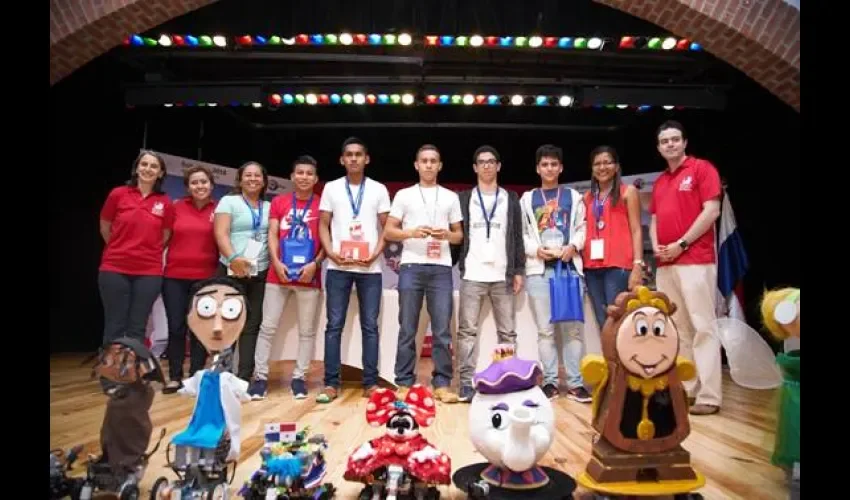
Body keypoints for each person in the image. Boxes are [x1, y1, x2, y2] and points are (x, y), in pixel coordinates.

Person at [649, 120, 723, 415]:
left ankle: (710, 395)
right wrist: (656, 245)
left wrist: (682, 242)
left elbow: (712, 210)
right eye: (664, 141)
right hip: (665, 263)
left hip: (695, 259)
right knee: (677, 329)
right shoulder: (660, 181)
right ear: (659, 147)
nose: (670, 144)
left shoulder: (702, 169)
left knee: (703, 326)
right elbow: (654, 219)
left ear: (685, 142)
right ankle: (688, 389)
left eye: (675, 139)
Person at [384, 144, 463, 403]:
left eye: (433, 161)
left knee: (441, 330)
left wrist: (447, 236)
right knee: (408, 327)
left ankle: (442, 383)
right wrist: (412, 232)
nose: (429, 165)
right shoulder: (404, 195)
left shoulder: (450, 197)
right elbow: (389, 231)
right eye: (424, 161)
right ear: (416, 165)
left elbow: (459, 235)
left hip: (440, 268)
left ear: (440, 165)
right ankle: (404, 382)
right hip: (411, 265)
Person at [316, 137, 391, 403]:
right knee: (333, 326)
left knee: (370, 327)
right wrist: (331, 252)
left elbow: (388, 228)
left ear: (366, 159)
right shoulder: (332, 188)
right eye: (349, 154)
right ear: (342, 159)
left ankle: (370, 382)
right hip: (338, 266)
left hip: (370, 269)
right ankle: (330, 383)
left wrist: (375, 254)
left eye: (359, 154)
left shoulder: (379, 189)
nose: (354, 159)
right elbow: (323, 224)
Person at [519, 144, 591, 403]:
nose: (549, 168)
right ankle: (549, 381)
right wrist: (536, 250)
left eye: (553, 164)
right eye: (544, 164)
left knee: (572, 330)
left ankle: (575, 383)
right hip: (539, 272)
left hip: (569, 270)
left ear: (560, 167)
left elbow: (583, 228)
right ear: (538, 168)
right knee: (545, 331)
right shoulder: (527, 199)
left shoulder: (573, 197)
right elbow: (523, 234)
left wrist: (573, 246)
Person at [453, 145, 525, 402]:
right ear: (475, 168)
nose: (486, 166)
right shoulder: (463, 198)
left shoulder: (511, 198)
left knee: (507, 332)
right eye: (481, 162)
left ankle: (507, 377)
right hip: (472, 274)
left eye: (491, 161)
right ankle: (464, 383)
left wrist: (518, 270)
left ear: (498, 166)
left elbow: (516, 236)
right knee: (466, 331)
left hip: (502, 274)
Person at [249, 155, 324, 400]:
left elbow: (327, 240)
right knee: (267, 328)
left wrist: (315, 263)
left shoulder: (322, 205)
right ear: (292, 177)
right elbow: (272, 234)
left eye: (309, 174)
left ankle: (299, 378)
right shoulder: (279, 202)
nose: (304, 177)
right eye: (299, 173)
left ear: (316, 178)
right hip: (278, 274)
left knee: (307, 331)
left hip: (308, 277)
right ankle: (260, 377)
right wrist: (276, 262)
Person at [98, 150, 174, 348]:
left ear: (160, 173)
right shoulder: (118, 194)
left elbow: (165, 235)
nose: (148, 169)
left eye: (154, 166)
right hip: (114, 268)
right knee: (114, 325)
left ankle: (132, 374)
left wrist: (146, 251)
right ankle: (111, 376)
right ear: (137, 168)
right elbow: (105, 226)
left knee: (137, 327)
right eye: (144, 164)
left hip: (148, 272)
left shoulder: (165, 202)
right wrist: (120, 247)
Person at [172, 276, 252, 464]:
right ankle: (189, 462)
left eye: (230, 311)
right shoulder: (200, 376)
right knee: (193, 437)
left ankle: (212, 461)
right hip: (201, 419)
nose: (217, 328)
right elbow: (188, 388)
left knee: (216, 438)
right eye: (206, 309)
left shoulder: (227, 379)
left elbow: (242, 392)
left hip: (219, 422)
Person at [162, 165, 218, 393]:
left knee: (199, 330)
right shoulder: (176, 207)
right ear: (188, 187)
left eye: (204, 182)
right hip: (174, 277)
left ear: (211, 185)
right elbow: (162, 238)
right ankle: (175, 376)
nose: (199, 186)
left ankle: (196, 376)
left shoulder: (220, 209)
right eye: (194, 182)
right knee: (176, 328)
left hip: (206, 279)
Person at [213, 162, 271, 381]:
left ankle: (244, 376)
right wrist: (234, 258)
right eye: (248, 175)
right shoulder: (229, 201)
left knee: (252, 324)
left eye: (257, 176)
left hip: (260, 270)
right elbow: (220, 233)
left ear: (264, 181)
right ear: (240, 179)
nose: (253, 179)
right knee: (228, 323)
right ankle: (222, 374)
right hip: (231, 269)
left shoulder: (268, 207)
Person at [582, 146, 644, 331]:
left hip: (618, 267)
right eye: (598, 163)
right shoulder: (587, 197)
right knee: (603, 321)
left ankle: (622, 360)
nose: (603, 167)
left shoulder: (628, 192)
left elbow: (636, 230)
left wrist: (637, 265)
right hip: (592, 268)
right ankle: (610, 360)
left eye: (607, 162)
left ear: (616, 167)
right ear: (592, 169)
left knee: (619, 319)